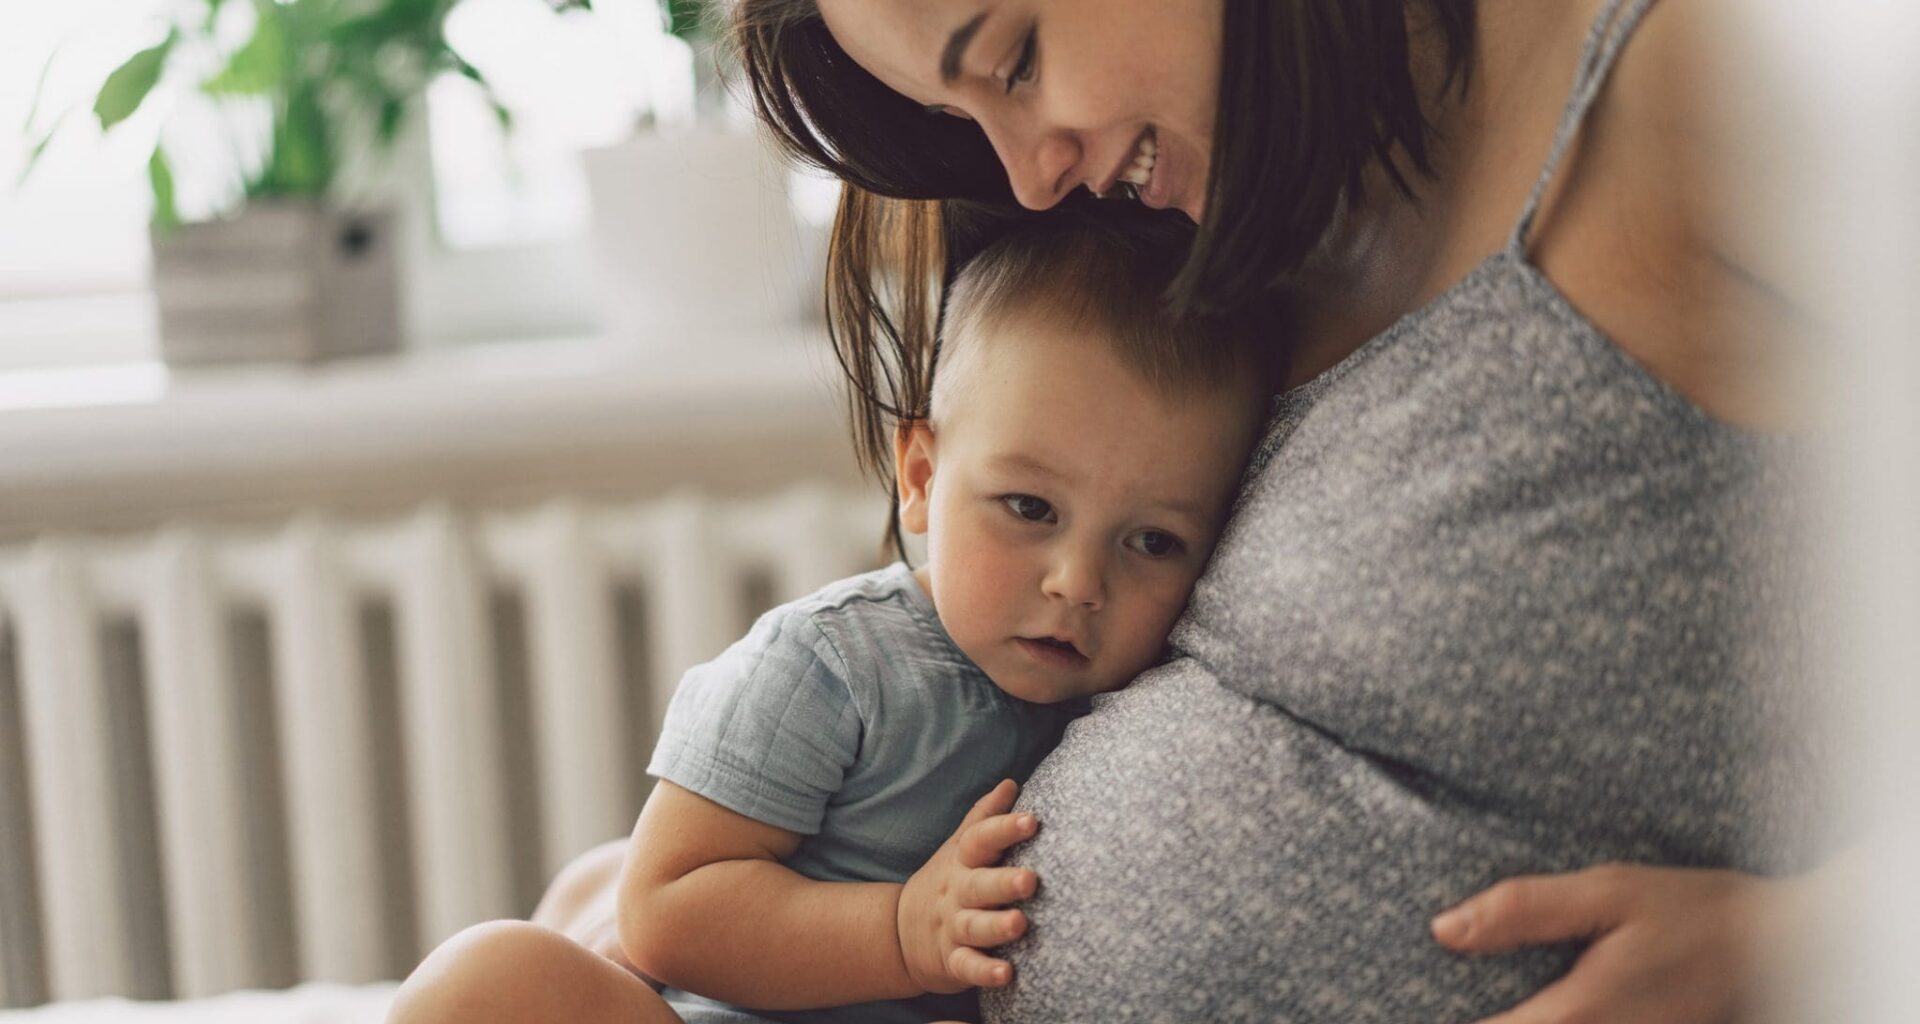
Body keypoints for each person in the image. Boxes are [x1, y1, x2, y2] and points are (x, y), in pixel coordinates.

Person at [516, 0, 1830, 1021]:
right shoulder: (1221, 223)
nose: (1031, 177)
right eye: (960, 111)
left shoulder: (1698, 81)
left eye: (1018, 55)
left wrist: (1813, 948)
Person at [386, 207, 1280, 1024]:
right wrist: (900, 930)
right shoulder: (835, 664)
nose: (1078, 582)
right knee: (491, 977)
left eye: (1154, 543)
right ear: (922, 479)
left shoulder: (1150, 702)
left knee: (591, 893)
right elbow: (667, 907)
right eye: (1030, 509)